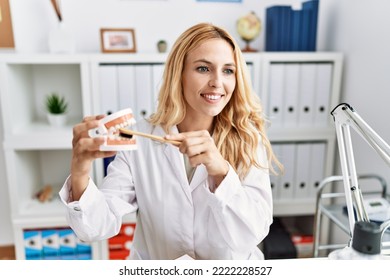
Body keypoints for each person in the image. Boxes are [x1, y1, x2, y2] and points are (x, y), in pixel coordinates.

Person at [59, 22, 282, 260]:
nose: (217, 82)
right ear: (180, 74)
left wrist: (221, 172)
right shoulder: (139, 139)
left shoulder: (248, 138)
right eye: (203, 69)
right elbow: (96, 226)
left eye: (228, 70)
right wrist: (80, 168)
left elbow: (254, 232)